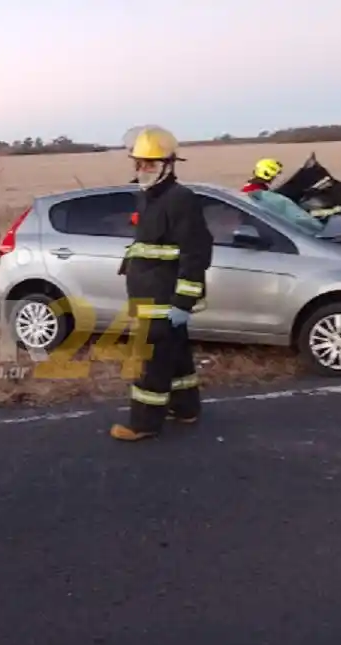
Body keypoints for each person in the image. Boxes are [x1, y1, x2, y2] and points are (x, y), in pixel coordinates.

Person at [110, 126, 213, 442]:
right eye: (139, 163)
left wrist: (182, 303)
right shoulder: (148, 197)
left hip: (164, 298)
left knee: (150, 359)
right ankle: (185, 408)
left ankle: (143, 423)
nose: (142, 170)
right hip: (148, 293)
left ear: (169, 165)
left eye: (150, 164)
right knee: (176, 353)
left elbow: (196, 253)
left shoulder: (181, 199)